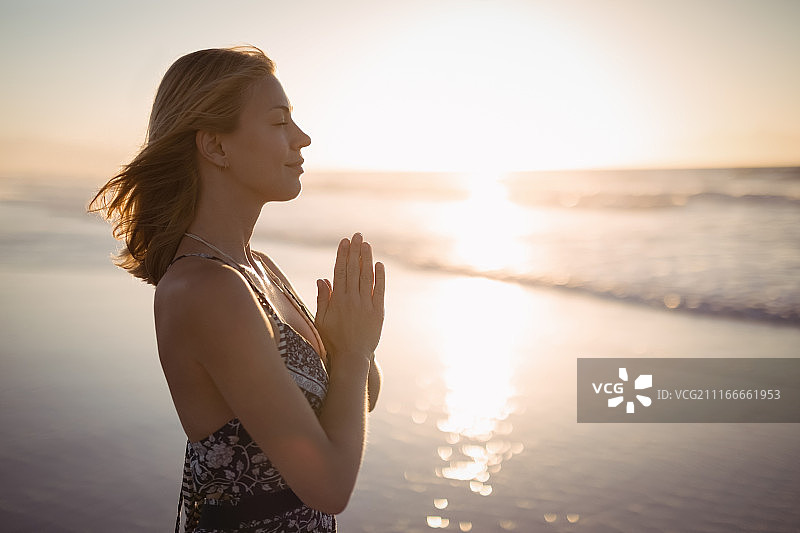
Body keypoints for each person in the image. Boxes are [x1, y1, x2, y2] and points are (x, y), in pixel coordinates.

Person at [89, 46, 385, 533]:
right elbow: (329, 486)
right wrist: (352, 355)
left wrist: (349, 348)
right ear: (216, 147)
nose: (303, 137)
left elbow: (355, 400)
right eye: (279, 121)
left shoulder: (257, 269)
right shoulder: (207, 289)